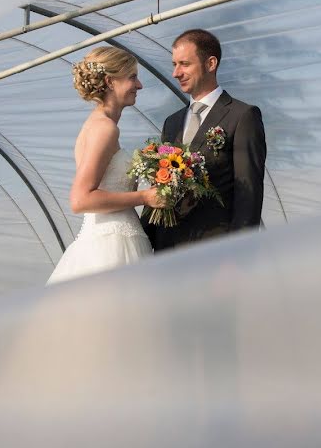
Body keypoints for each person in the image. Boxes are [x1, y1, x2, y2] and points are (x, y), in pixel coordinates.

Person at [47, 46, 165, 284]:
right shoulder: (104, 129)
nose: (139, 85)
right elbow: (81, 199)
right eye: (132, 77)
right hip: (112, 247)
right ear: (111, 82)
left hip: (113, 239)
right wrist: (145, 197)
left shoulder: (99, 125)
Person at [144, 29, 267, 251]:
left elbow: (248, 194)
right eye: (174, 64)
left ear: (211, 64)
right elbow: (160, 189)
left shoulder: (242, 116)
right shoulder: (171, 122)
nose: (175, 73)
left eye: (184, 64)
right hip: (167, 250)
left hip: (214, 250)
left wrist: (237, 258)